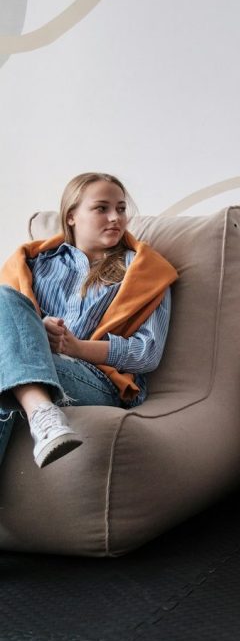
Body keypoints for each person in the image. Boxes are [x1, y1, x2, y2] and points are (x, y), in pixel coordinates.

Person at [0, 173, 177, 469]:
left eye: (121, 209)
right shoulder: (34, 264)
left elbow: (147, 353)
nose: (115, 217)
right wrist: (38, 329)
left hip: (98, 381)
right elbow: (10, 325)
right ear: (71, 216)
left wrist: (76, 347)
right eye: (101, 208)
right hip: (39, 360)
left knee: (6, 360)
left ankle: (41, 413)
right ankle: (43, 414)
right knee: (3, 297)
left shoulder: (144, 270)